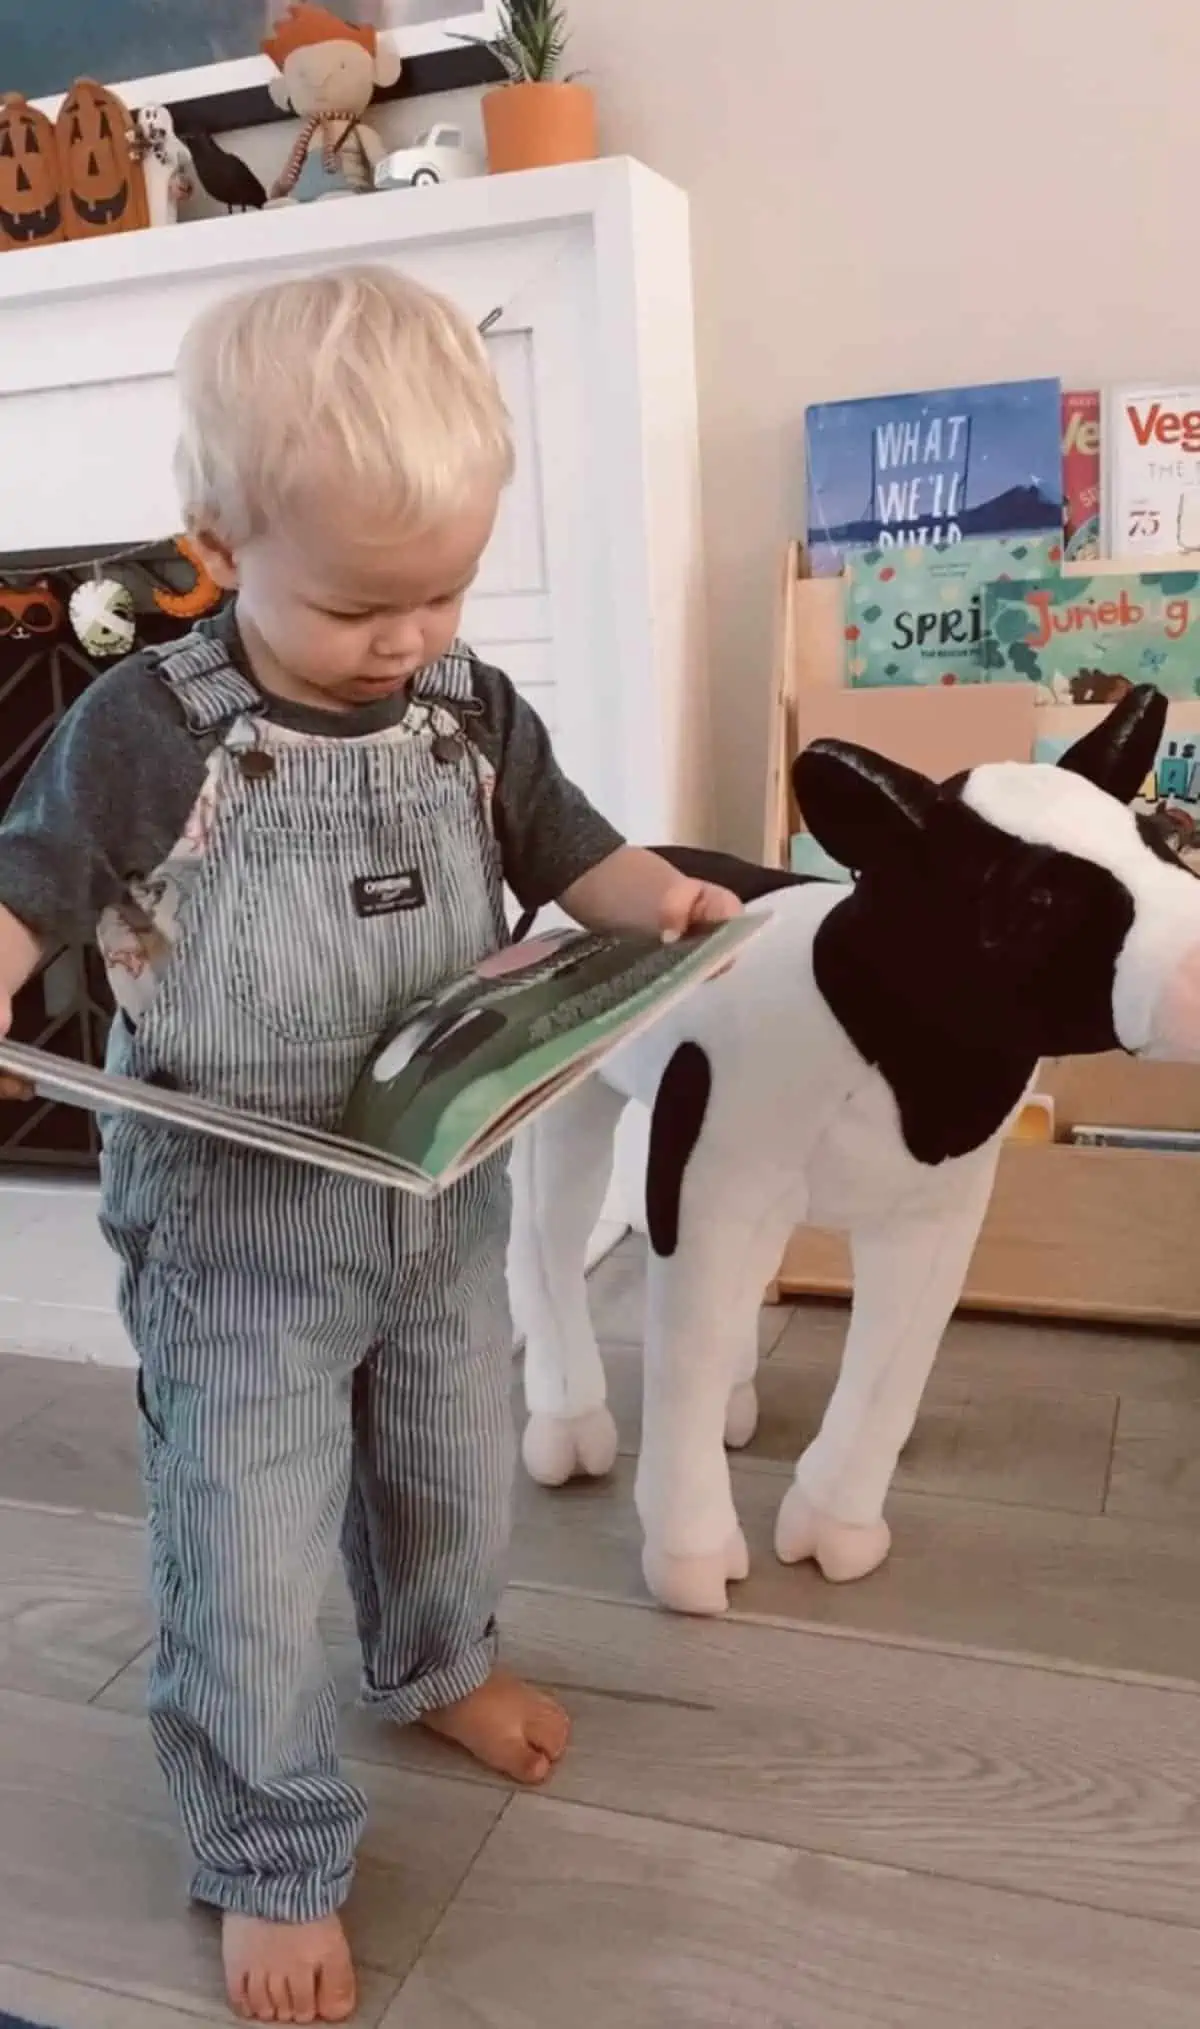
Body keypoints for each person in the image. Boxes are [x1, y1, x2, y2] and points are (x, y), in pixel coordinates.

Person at [0, 266, 740, 2025]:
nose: (411, 635)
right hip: (237, 1224)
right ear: (216, 538)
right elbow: (21, 897)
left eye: (447, 590)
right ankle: (266, 1846)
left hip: (434, 1199)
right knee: (246, 1531)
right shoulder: (143, 735)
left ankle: (433, 1662)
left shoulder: (469, 711)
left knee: (450, 1459)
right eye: (356, 606)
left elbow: (574, 850)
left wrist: (670, 905)